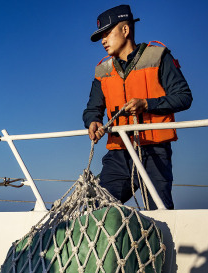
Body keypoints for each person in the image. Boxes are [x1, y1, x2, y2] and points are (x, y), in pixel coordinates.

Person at [82, 4, 192, 210]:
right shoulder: (102, 70)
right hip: (118, 154)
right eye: (101, 37)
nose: (103, 41)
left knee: (159, 212)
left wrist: (147, 104)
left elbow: (184, 97)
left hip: (155, 150)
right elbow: (92, 109)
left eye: (107, 33)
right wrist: (93, 121)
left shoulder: (159, 57)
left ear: (125, 30)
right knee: (97, 209)